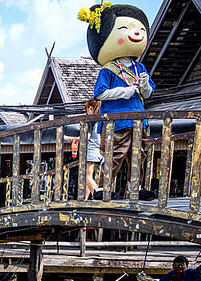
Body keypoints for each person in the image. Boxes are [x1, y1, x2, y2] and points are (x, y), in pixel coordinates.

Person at [79, 2, 155, 197]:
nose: (136, 33)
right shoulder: (109, 69)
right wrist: (124, 92)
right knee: (114, 155)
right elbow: (100, 94)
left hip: (138, 119)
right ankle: (103, 188)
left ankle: (136, 188)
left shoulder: (140, 68)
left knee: (138, 154)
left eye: (140, 29)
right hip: (117, 121)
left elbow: (147, 94)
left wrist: (144, 84)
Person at [84, 99, 104, 200]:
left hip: (92, 151)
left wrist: (70, 139)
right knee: (90, 176)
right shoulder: (100, 121)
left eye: (87, 109)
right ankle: (87, 198)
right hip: (100, 152)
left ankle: (97, 193)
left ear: (90, 108)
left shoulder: (89, 121)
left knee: (86, 176)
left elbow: (86, 137)